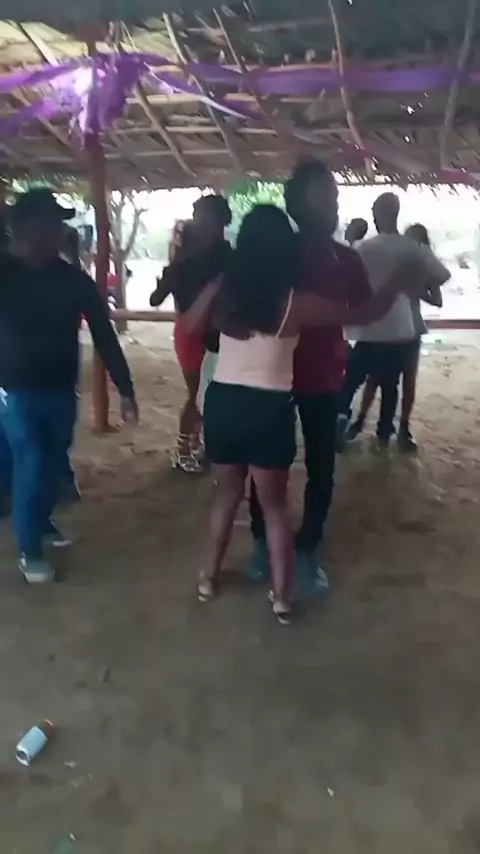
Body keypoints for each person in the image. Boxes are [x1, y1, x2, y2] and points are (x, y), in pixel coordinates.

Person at [189, 202, 418, 623]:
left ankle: (208, 578)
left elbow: (188, 327)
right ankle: (281, 597)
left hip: (223, 402)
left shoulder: (226, 291)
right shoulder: (297, 303)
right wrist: (397, 282)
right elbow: (364, 314)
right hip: (268, 407)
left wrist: (215, 293)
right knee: (275, 508)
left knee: (226, 496)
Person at [244, 162, 373, 594]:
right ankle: (262, 542)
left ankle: (307, 549)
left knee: (321, 466)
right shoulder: (279, 255)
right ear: (298, 203)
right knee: (268, 463)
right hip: (275, 374)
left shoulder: (345, 257)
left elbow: (363, 309)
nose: (334, 203)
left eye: (335, 195)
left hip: (323, 377)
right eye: (325, 196)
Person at [0, 189, 138, 584]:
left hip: (61, 388)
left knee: (52, 457)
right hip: (14, 389)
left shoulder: (74, 281)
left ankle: (41, 521)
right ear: (23, 228)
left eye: (57, 224)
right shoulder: (4, 273)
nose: (55, 231)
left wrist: (125, 388)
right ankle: (29, 550)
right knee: (30, 458)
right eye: (46, 223)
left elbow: (104, 334)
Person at [337, 193, 451, 451]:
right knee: (391, 384)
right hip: (399, 331)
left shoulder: (364, 247)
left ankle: (342, 419)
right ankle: (384, 434)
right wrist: (415, 284)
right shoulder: (414, 248)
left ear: (378, 213)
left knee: (352, 381)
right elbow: (443, 275)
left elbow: (342, 269)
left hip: (368, 328)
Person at [150, 195, 232, 473]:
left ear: (222, 221)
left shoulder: (228, 258)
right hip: (192, 335)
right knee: (196, 395)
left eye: (205, 217)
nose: (201, 223)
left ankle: (198, 443)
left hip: (223, 336)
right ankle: (182, 450)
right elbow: (155, 298)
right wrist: (169, 277)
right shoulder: (186, 262)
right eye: (198, 218)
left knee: (211, 395)